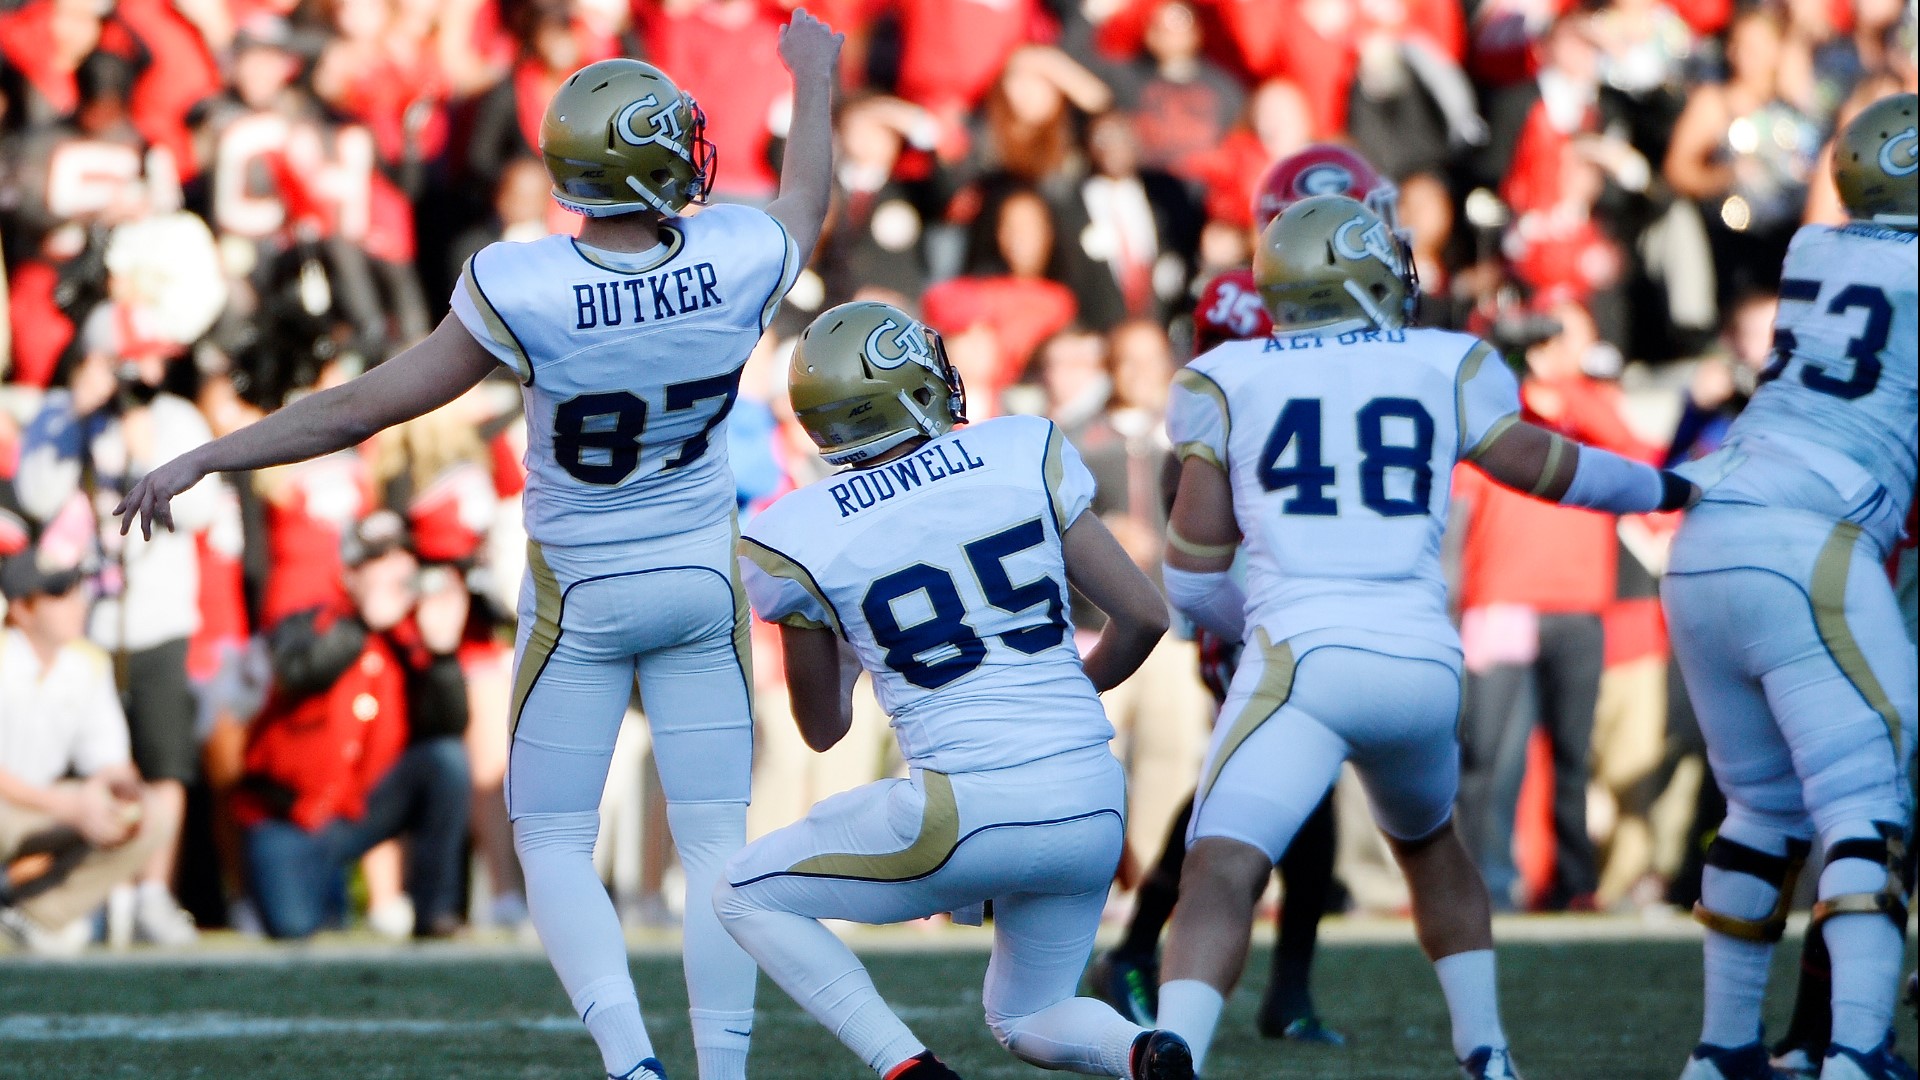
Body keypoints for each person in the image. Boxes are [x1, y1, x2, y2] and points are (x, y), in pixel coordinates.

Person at [112, 14, 841, 1080]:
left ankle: (632, 1063)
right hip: (698, 576)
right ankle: (721, 1073)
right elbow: (806, 200)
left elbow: (359, 409)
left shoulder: (523, 281)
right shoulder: (737, 254)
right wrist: (815, 76)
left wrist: (209, 454)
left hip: (583, 590)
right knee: (717, 850)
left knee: (549, 839)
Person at [1152, 194, 1703, 1080]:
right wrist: (1671, 489)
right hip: (1421, 659)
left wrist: (1251, 634)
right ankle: (1487, 1050)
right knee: (1431, 847)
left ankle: (1177, 1049)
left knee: (1222, 867)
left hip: (1302, 659)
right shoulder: (1446, 359)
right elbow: (1544, 466)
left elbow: (1190, 578)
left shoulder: (1223, 379)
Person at [715, 300, 1192, 1080]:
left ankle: (907, 1069)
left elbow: (824, 728)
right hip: (1091, 794)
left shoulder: (791, 533)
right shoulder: (1020, 448)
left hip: (962, 809)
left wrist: (843, 638)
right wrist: (1066, 699)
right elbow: (1144, 614)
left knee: (743, 893)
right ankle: (1139, 1052)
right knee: (1028, 1015)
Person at [1089, 143, 1400, 1043]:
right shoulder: (1239, 302)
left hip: (1314, 573)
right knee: (1265, 787)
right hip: (1254, 576)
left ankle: (1268, 985)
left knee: (1288, 782)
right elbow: (1203, 449)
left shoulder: (1356, 312)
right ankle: (1160, 955)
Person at [1662, 93, 1917, 1080]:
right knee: (1867, 806)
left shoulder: (1817, 246)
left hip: (1711, 528)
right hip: (1814, 537)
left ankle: (1724, 1049)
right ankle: (1856, 1051)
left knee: (1762, 813)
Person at [233, 509, 472, 940]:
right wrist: (364, 622)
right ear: (350, 576)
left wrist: (442, 656)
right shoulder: (307, 624)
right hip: (288, 818)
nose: (397, 571)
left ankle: (435, 911)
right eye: (380, 560)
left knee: (446, 760)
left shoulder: (409, 641)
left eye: (403, 557)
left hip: (356, 813)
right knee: (296, 931)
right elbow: (298, 672)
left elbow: (447, 730)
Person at [0, 551, 175, 953]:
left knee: (151, 813)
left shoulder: (87, 662)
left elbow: (110, 761)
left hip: (41, 808)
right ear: (22, 610)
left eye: (77, 590)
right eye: (59, 593)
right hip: (21, 806)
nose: (77, 603)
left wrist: (120, 796)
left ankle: (32, 919)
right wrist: (69, 805)